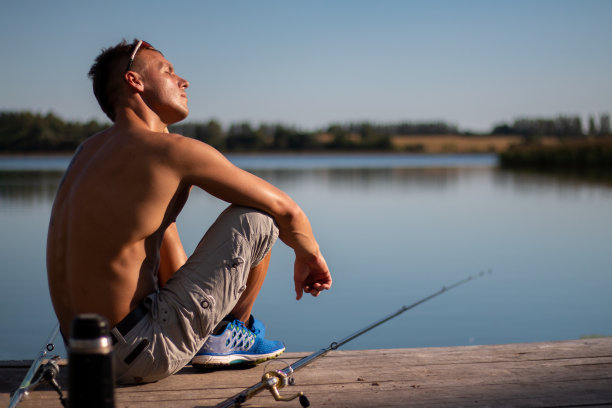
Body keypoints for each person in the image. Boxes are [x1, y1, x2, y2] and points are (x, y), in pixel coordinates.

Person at [46, 39, 332, 384]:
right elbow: (287, 210)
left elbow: (167, 259)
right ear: (134, 81)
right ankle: (228, 335)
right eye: (168, 71)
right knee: (258, 216)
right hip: (142, 354)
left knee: (163, 226)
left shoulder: (87, 153)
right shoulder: (171, 152)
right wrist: (310, 254)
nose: (184, 81)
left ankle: (215, 333)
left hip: (86, 358)